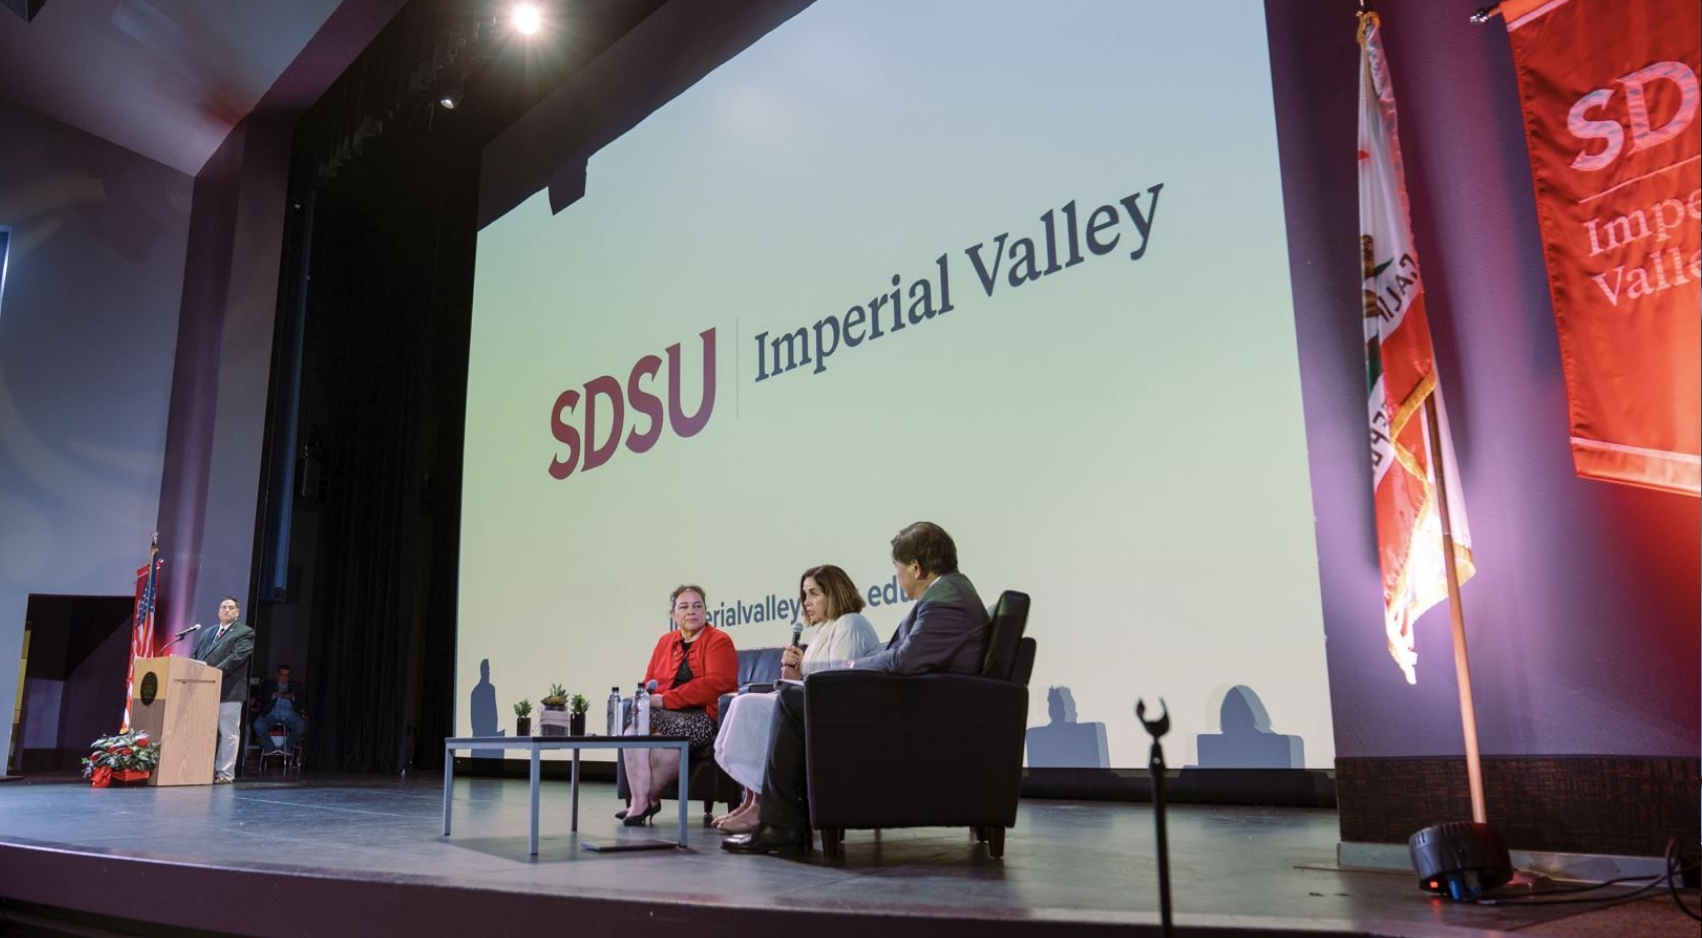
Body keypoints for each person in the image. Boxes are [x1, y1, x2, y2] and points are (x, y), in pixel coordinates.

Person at [723, 522, 989, 855]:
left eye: (898, 568)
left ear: (916, 568)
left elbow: (905, 661)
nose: (897, 576)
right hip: (917, 705)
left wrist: (852, 666)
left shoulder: (946, 600)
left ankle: (782, 824)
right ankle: (780, 819)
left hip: (917, 715)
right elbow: (901, 656)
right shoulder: (947, 594)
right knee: (792, 697)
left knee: (792, 699)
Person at [711, 565, 881, 834]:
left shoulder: (850, 623)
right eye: (804, 595)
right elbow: (811, 678)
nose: (807, 602)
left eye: (814, 593)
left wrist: (803, 669)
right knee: (744, 703)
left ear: (834, 593)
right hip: (813, 703)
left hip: (833, 713)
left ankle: (760, 804)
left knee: (748, 704)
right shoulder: (823, 629)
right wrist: (794, 673)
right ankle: (754, 799)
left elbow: (839, 680)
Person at [619, 584, 738, 825]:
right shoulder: (665, 642)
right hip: (668, 718)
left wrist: (664, 700)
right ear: (674, 615)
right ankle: (642, 802)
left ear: (705, 611)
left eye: (697, 606)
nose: (691, 611)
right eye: (684, 607)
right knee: (636, 731)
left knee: (641, 719)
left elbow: (718, 684)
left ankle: (644, 801)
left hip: (703, 718)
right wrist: (649, 696)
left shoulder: (719, 640)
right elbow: (650, 682)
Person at [191, 595, 255, 784]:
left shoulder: (245, 632)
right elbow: (195, 654)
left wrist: (212, 673)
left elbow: (237, 657)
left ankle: (225, 774)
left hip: (229, 690)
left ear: (237, 612)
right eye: (223, 607)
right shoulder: (208, 632)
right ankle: (200, 770)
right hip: (204, 690)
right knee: (202, 731)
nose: (226, 610)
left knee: (228, 733)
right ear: (218, 611)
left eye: (230, 607)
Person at [251, 664, 306, 756]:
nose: (284, 678)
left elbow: (303, 701)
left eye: (287, 675)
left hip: (289, 713)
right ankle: (270, 747)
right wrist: (274, 695)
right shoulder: (268, 684)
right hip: (271, 713)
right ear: (277, 675)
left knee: (300, 727)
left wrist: (292, 697)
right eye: (282, 675)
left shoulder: (295, 685)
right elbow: (260, 697)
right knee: (258, 725)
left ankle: (286, 747)